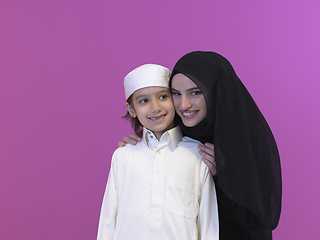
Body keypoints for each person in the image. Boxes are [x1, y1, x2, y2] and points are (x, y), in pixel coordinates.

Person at [119, 52, 282, 240]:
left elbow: (260, 217)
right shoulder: (180, 133)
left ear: (216, 91)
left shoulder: (246, 136)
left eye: (195, 92)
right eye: (176, 94)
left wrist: (223, 176)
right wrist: (142, 146)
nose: (184, 104)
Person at [97, 64, 219, 240]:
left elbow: (208, 224)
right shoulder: (122, 156)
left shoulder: (197, 154)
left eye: (163, 97)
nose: (155, 107)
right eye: (144, 101)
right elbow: (108, 222)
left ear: (174, 100)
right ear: (131, 109)